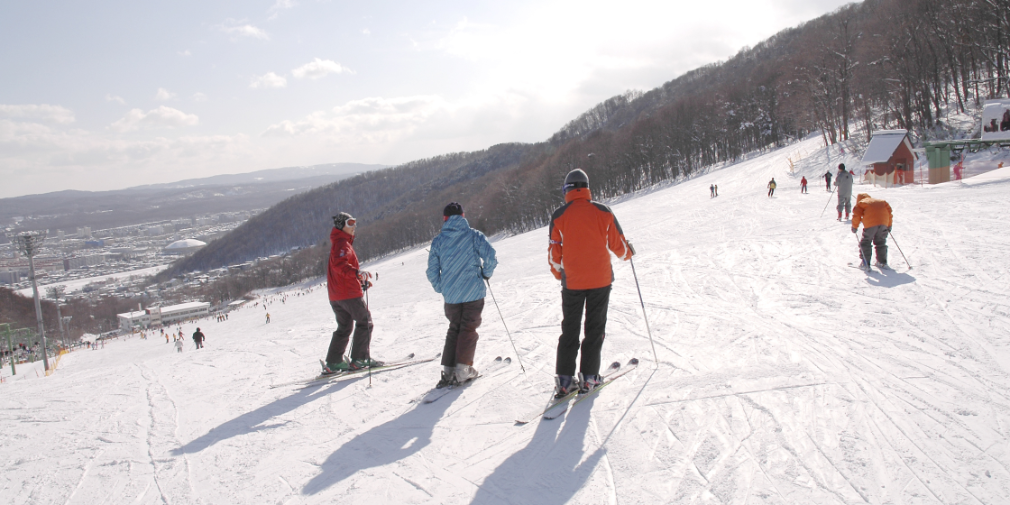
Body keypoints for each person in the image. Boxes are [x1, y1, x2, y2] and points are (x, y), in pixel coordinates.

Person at [548, 169, 634, 398]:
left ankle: (564, 381)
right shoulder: (603, 211)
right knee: (594, 329)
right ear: (586, 187)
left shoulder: (559, 215)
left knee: (570, 329)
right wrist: (628, 254)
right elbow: (618, 244)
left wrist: (562, 276)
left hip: (573, 283)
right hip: (600, 280)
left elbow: (554, 254)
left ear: (566, 190)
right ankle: (589, 377)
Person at [426, 202, 498, 388]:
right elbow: (490, 256)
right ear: (463, 216)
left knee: (454, 327)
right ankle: (463, 369)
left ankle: (448, 370)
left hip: (451, 296)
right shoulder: (473, 235)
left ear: (445, 219)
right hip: (473, 292)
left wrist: (442, 287)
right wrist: (486, 273)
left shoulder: (438, 241)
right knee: (468, 328)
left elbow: (432, 271)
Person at [322, 212, 380, 374]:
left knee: (345, 327)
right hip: (348, 295)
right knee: (365, 321)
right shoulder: (342, 244)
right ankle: (359, 359)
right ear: (341, 226)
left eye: (355, 222)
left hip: (336, 295)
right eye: (350, 223)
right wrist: (356, 273)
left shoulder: (339, 243)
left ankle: (334, 362)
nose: (354, 226)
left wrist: (360, 281)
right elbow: (340, 265)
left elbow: (339, 270)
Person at [851, 193, 893, 270]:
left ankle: (865, 263)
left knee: (866, 242)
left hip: (871, 224)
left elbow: (856, 215)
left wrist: (854, 226)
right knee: (881, 242)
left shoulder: (861, 203)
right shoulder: (881, 201)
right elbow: (889, 213)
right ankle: (882, 262)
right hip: (884, 222)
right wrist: (889, 225)